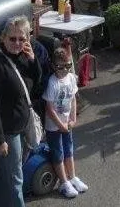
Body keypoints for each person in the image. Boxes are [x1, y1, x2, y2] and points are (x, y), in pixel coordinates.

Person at [0, 16, 41, 207]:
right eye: (12, 38)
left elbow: (36, 81)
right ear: (3, 38)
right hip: (8, 131)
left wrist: (33, 61)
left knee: (9, 176)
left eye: (21, 39)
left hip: (21, 125)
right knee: (16, 179)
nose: (17, 43)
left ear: (27, 39)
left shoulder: (22, 56)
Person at [43, 47, 88, 199]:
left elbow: (74, 99)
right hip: (54, 126)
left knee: (69, 150)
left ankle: (72, 177)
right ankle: (63, 182)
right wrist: (60, 125)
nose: (65, 70)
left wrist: (73, 118)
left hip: (67, 123)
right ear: (54, 66)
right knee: (58, 154)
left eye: (68, 66)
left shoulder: (70, 78)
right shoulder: (52, 82)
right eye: (60, 67)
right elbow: (49, 108)